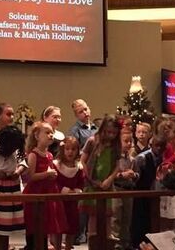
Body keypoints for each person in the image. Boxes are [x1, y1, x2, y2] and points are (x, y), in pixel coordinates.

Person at [23, 121, 68, 250]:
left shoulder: (49, 155)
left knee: (45, 225)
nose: (51, 135)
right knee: (35, 225)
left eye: (52, 133)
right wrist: (46, 174)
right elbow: (31, 176)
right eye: (47, 132)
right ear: (37, 136)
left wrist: (52, 175)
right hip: (36, 193)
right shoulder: (33, 154)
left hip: (48, 192)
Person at [79, 115, 121, 247]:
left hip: (107, 185)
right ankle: (93, 244)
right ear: (102, 129)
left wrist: (109, 179)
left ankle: (107, 243)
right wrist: (92, 180)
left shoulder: (115, 145)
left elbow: (117, 166)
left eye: (114, 133)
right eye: (108, 132)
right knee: (93, 217)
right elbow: (83, 162)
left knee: (107, 217)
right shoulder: (92, 141)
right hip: (93, 184)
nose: (111, 135)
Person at [68, 99, 97, 245]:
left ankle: (92, 233)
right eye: (81, 111)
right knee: (83, 204)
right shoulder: (75, 130)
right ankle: (79, 234)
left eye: (86, 109)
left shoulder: (96, 128)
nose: (85, 113)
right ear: (76, 115)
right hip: (83, 168)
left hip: (97, 169)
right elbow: (73, 150)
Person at [131, 135, 167, 248]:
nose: (159, 148)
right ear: (151, 145)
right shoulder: (142, 158)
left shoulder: (162, 158)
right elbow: (135, 177)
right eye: (157, 146)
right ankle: (137, 243)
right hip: (141, 192)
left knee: (151, 219)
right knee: (139, 218)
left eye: (162, 146)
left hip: (153, 193)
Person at [53, 136, 84, 250]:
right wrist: (65, 190)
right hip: (59, 201)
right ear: (63, 150)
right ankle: (57, 247)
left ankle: (69, 247)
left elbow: (81, 182)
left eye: (73, 149)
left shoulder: (78, 167)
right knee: (59, 227)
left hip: (72, 202)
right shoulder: (56, 165)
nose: (70, 152)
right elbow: (54, 182)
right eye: (67, 149)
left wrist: (76, 191)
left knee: (72, 225)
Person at [111, 129, 138, 250]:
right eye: (125, 141)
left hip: (128, 190)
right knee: (116, 218)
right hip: (117, 189)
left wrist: (133, 175)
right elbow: (109, 175)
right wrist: (122, 175)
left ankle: (125, 243)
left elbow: (137, 174)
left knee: (127, 219)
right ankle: (115, 244)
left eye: (130, 141)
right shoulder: (114, 157)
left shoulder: (132, 159)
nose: (128, 144)